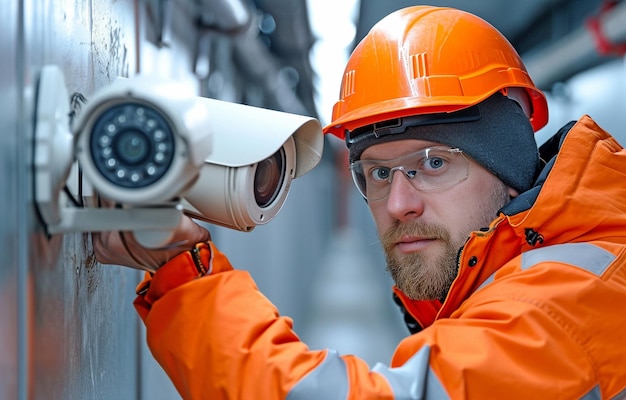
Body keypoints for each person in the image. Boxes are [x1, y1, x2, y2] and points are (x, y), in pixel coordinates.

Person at [94, 5, 626, 399]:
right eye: (376, 173)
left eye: (433, 163)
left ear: (507, 167)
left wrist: (182, 274)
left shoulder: (574, 300)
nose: (398, 203)